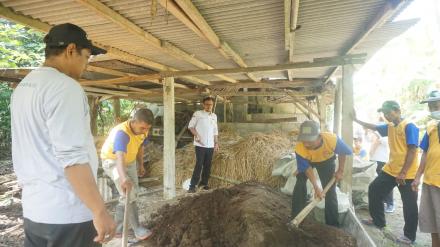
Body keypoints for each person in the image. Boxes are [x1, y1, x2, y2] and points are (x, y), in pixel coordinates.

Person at [11, 23, 115, 247]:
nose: (85, 65)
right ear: (70, 50)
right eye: (86, 57)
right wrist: (99, 210)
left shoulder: (24, 87)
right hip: (68, 215)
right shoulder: (64, 87)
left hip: (35, 212)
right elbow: (72, 157)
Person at [353, 100, 419, 245]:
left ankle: (409, 236)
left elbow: (412, 150)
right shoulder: (390, 126)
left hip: (407, 173)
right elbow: (374, 126)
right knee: (374, 189)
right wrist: (356, 119)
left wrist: (403, 172)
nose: (387, 116)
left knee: (409, 204)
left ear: (397, 110)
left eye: (389, 112)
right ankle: (378, 221)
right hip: (391, 169)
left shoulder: (409, 126)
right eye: (385, 113)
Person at [100, 108, 154, 240]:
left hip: (129, 162)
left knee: (127, 196)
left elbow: (141, 147)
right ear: (134, 122)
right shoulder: (122, 133)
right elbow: (119, 157)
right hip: (112, 161)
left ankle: (118, 230)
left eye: (147, 128)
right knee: (130, 194)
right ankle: (137, 229)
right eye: (142, 128)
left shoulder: (143, 130)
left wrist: (140, 165)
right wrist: (123, 178)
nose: (145, 131)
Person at [292, 120, 352, 227]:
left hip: (326, 161)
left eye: (310, 141)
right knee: (300, 181)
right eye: (304, 140)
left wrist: (340, 171)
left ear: (319, 136)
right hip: (309, 161)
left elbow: (343, 152)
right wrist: (316, 187)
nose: (306, 144)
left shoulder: (332, 139)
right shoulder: (300, 148)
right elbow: (307, 168)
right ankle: (296, 218)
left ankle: (332, 224)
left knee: (330, 190)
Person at [412, 90, 440, 247]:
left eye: (436, 105)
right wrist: (417, 177)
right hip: (430, 181)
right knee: (432, 224)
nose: (434, 110)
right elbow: (425, 153)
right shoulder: (431, 127)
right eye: (431, 107)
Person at [188, 96, 219, 193]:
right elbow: (191, 127)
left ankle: (204, 183)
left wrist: (216, 143)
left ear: (213, 105)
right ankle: (192, 186)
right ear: (203, 105)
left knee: (207, 165)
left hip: (210, 145)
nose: (209, 106)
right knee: (199, 164)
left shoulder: (214, 116)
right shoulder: (198, 114)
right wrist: (196, 135)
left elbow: (215, 131)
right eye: (207, 104)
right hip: (200, 144)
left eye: (211, 104)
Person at [369, 120, 394, 213]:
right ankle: (386, 203)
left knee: (383, 184)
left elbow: (373, 147)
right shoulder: (388, 137)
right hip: (383, 161)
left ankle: (390, 204)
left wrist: (370, 155)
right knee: (381, 184)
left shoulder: (381, 137)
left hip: (380, 161)